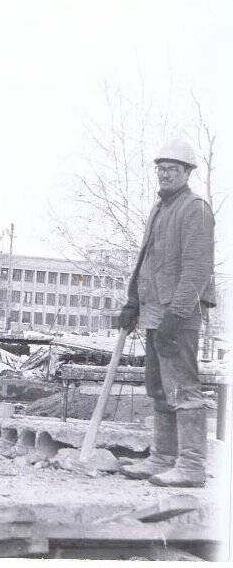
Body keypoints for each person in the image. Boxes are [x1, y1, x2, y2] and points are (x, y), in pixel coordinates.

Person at [118, 138, 215, 488]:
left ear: (187, 172)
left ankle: (190, 465)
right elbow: (146, 260)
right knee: (159, 386)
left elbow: (197, 266)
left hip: (179, 314)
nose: (165, 175)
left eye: (173, 169)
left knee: (184, 388)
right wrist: (133, 301)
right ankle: (162, 457)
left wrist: (177, 313)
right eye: (161, 169)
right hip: (154, 310)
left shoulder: (195, 209)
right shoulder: (160, 208)